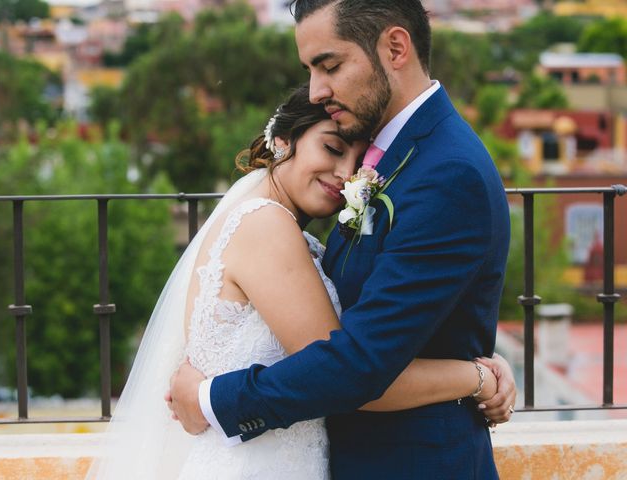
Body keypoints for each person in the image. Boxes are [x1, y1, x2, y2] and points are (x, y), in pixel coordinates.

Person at [87, 85, 514, 479]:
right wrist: (476, 376)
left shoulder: (285, 231)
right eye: (332, 148)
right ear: (283, 141)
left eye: (359, 161)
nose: (345, 173)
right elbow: (350, 377)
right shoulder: (266, 227)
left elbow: (362, 349)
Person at [168, 1, 513, 479]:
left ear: (395, 47)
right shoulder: (388, 156)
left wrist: (211, 399)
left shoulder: (447, 173)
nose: (317, 90)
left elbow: (361, 361)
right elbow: (383, 316)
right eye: (310, 69)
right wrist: (476, 373)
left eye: (329, 65)